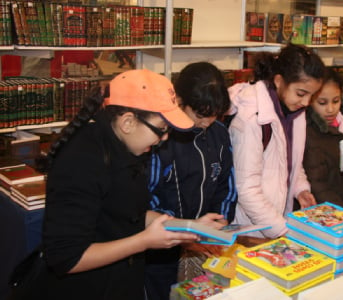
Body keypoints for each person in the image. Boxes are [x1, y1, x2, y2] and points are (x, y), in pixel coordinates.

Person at [39, 69, 204, 300]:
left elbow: (128, 213)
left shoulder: (127, 148)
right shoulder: (81, 161)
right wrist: (144, 241)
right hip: (86, 289)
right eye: (161, 129)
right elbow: (67, 258)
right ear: (128, 121)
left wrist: (190, 227)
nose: (164, 138)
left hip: (122, 284)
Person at [144, 62, 237, 300]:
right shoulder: (162, 137)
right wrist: (184, 229)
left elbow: (227, 185)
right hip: (160, 247)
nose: (206, 122)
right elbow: (147, 198)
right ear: (179, 100)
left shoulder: (218, 133)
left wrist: (220, 224)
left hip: (205, 242)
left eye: (214, 115)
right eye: (199, 115)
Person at [228, 43, 326, 238]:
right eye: (301, 93)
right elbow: (247, 189)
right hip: (248, 230)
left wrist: (300, 189)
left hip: (275, 221)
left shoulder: (293, 109)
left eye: (311, 95)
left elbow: (288, 159)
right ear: (279, 81)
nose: (306, 102)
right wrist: (283, 230)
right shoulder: (251, 117)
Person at [303, 67, 343, 209]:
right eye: (322, 103)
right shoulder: (308, 132)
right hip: (326, 210)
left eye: (336, 101)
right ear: (309, 100)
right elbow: (316, 184)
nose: (331, 109)